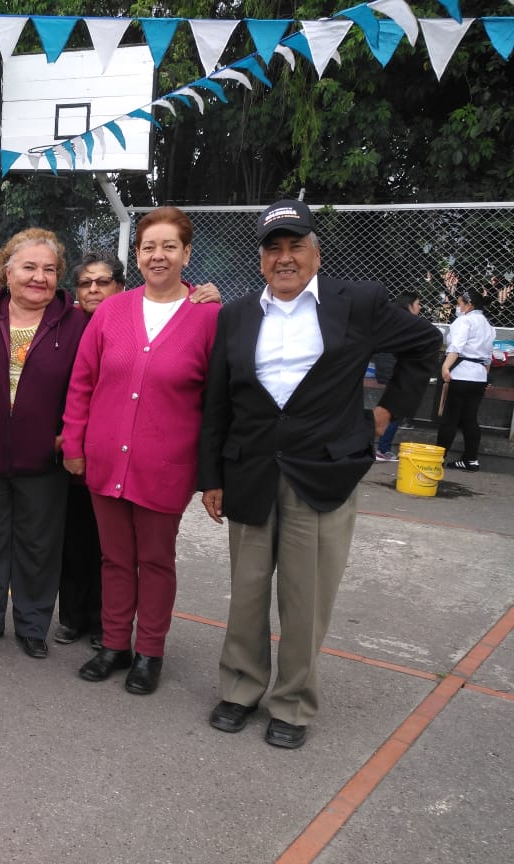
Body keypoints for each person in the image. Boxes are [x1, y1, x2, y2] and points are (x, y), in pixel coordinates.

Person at [198, 199, 441, 749]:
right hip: (250, 471)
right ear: (260, 258)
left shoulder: (356, 302)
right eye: (273, 248)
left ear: (316, 251)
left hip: (323, 470)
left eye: (295, 246)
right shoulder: (235, 315)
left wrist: (380, 417)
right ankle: (239, 689)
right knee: (248, 590)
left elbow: (425, 345)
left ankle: (292, 703)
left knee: (307, 597)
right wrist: (210, 475)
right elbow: (218, 401)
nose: (285, 258)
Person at [62, 210, 221, 696]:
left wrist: (211, 471)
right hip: (106, 458)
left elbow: (219, 400)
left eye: (170, 246)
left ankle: (149, 651)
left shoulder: (209, 316)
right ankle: (114, 644)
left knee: (154, 560)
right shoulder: (112, 311)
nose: (158, 255)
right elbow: (82, 381)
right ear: (137, 255)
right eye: (149, 246)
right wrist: (74, 443)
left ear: (187, 254)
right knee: (113, 558)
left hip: (165, 466)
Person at [0, 228, 88, 659]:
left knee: (39, 545)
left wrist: (71, 434)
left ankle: (33, 625)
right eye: (29, 267)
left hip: (44, 458)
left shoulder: (77, 323)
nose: (40, 277)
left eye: (49, 270)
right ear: (7, 270)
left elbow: (85, 386)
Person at [53, 252, 126, 649]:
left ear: (120, 285)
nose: (94, 289)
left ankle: (105, 624)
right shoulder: (66, 324)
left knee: (109, 545)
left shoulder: (133, 321)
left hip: (115, 451)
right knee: (74, 538)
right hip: (72, 448)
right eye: (86, 283)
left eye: (104, 281)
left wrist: (202, 292)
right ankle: (72, 617)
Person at [436, 286, 496, 472]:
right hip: (478, 376)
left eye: (460, 303)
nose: (458, 306)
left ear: (469, 305)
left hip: (461, 374)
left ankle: (438, 458)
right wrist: (485, 376)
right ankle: (471, 459)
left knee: (450, 419)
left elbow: (456, 347)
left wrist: (445, 366)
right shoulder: (488, 325)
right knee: (470, 418)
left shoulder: (464, 322)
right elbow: (488, 356)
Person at [374, 291, 422, 462]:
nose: (420, 307)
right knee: (395, 409)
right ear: (409, 305)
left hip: (389, 367)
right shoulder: (407, 322)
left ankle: (381, 448)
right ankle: (383, 449)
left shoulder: (392, 318)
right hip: (395, 368)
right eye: (417, 304)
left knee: (393, 408)